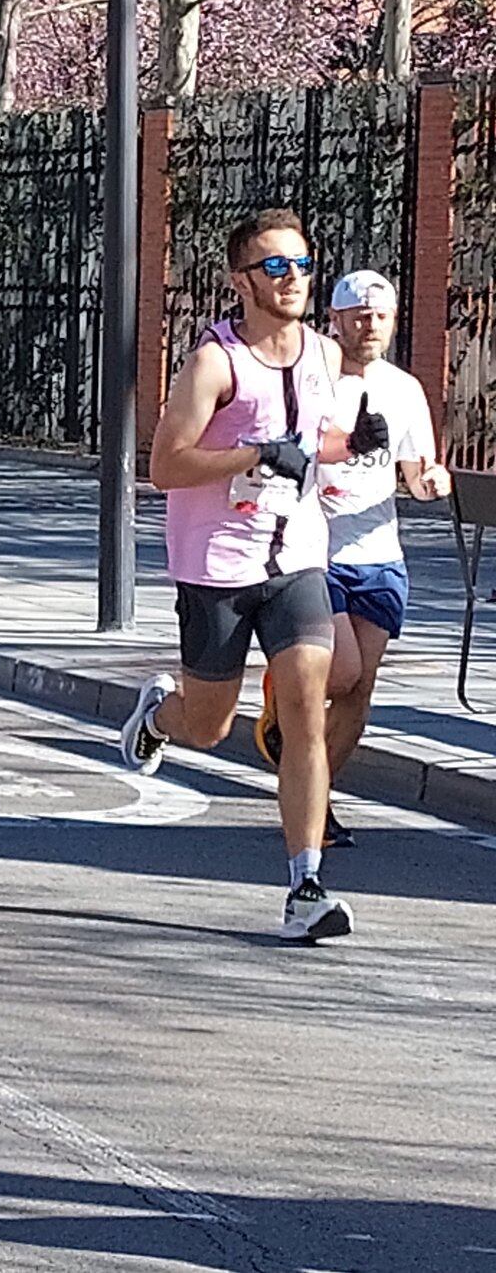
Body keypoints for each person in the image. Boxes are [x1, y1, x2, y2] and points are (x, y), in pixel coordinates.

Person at [118, 209, 380, 942]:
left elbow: (311, 440)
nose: (293, 278)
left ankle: (306, 884)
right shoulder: (214, 362)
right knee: (209, 725)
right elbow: (167, 466)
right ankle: (159, 717)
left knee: (303, 707)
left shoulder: (325, 356)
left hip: (296, 556)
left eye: (301, 265)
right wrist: (254, 455)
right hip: (217, 565)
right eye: (275, 267)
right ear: (242, 282)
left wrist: (351, 441)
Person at [254, 270, 451, 848]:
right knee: (338, 671)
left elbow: (417, 473)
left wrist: (432, 481)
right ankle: (280, 704)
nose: (369, 327)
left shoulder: (405, 389)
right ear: (335, 321)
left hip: (380, 555)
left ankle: (321, 800)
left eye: (380, 317)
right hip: (316, 550)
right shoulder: (313, 382)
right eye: (358, 316)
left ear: (392, 324)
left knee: (361, 686)